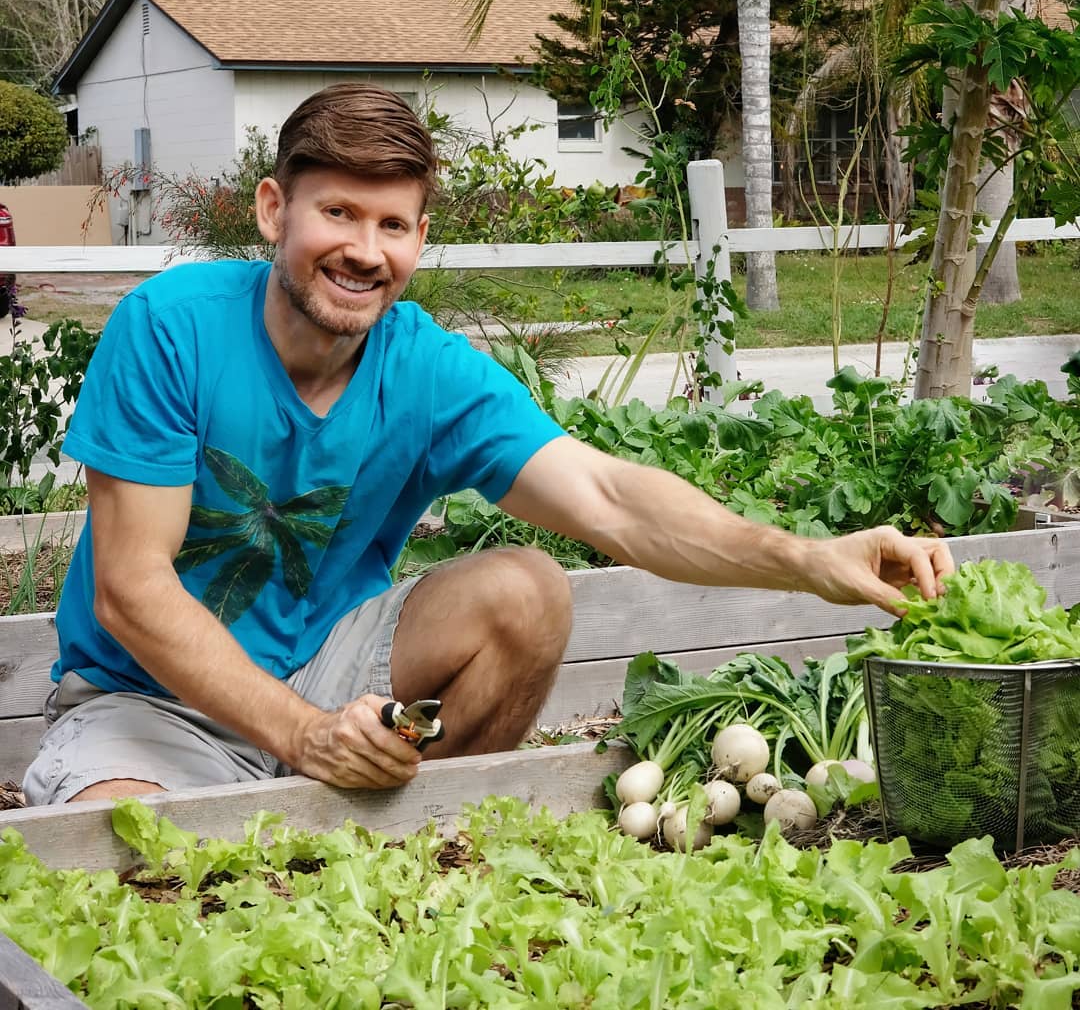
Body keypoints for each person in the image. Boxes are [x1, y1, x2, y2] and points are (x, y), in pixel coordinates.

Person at [23, 83, 953, 807]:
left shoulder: (424, 370)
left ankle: (405, 825)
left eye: (392, 225)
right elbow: (132, 589)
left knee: (527, 592)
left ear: (420, 239)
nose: (365, 250)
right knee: (128, 856)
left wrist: (809, 558)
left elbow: (611, 499)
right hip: (152, 702)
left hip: (332, 678)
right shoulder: (172, 329)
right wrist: (304, 735)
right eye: (337, 213)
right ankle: (307, 785)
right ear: (274, 211)